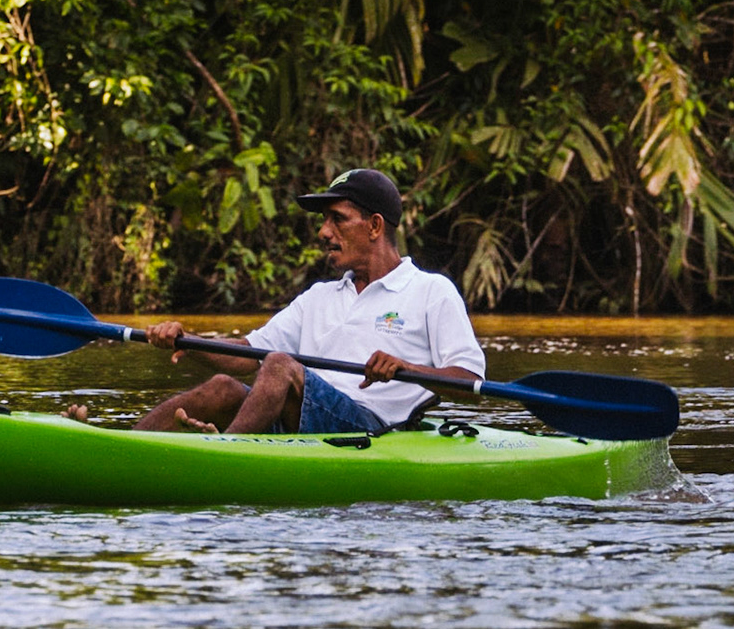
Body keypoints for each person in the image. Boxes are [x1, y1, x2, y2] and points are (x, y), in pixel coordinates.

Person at [130, 168, 485, 434]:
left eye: (337, 219)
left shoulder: (430, 291)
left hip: (372, 425)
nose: (323, 231)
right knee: (224, 386)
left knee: (280, 365)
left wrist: (406, 367)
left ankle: (225, 455)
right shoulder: (319, 296)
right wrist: (185, 340)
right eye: (324, 220)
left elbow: (469, 379)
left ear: (375, 226)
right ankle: (119, 442)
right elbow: (245, 353)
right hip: (304, 416)